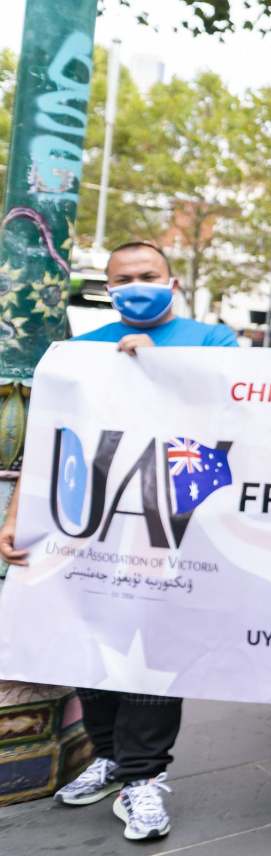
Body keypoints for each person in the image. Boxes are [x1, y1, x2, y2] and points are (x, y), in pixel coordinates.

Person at [0, 240, 238, 842]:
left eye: (148, 275)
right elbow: (48, 438)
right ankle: (108, 758)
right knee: (90, 642)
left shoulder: (213, 342)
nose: (137, 284)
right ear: (108, 287)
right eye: (124, 278)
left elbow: (233, 417)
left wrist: (160, 366)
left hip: (172, 526)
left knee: (153, 651)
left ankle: (144, 777)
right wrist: (15, 515)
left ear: (172, 281)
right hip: (87, 526)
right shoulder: (78, 352)